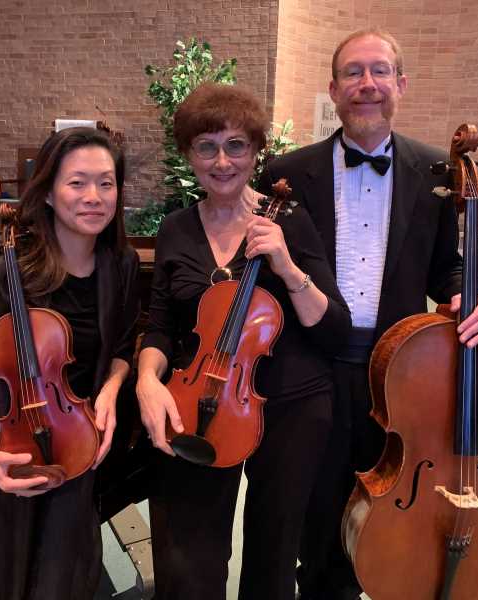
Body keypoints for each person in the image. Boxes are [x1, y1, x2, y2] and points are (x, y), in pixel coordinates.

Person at [258, 28, 478, 600]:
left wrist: (472, 297)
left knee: (384, 506)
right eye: (353, 73)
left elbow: (446, 267)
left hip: (398, 374)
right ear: (334, 88)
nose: (366, 85)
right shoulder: (288, 172)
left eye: (379, 72)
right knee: (314, 509)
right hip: (311, 369)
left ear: (401, 83)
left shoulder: (435, 172)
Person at [135, 82, 350, 600]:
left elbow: (334, 327)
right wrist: (146, 378)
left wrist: (287, 264)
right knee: (193, 549)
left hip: (291, 404)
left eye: (236, 145)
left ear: (256, 153)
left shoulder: (289, 220)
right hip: (205, 398)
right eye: (206, 146)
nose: (222, 161)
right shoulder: (177, 229)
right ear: (188, 153)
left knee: (274, 549)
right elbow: (161, 322)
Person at [0, 127, 139, 600]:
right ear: (49, 193)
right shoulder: (1, 272)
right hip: (1, 457)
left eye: (106, 183)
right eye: (77, 182)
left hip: (73, 454)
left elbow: (122, 348)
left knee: (63, 581)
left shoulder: (119, 265)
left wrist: (110, 391)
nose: (94, 197)